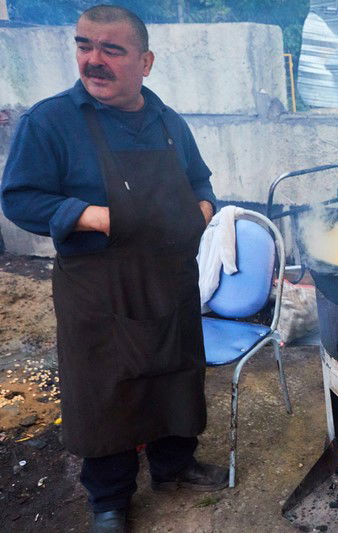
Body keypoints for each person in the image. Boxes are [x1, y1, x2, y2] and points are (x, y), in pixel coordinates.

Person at [1, 5, 226, 532]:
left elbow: (201, 183)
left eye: (111, 50)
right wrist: (87, 214)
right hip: (96, 285)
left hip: (168, 278)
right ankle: (109, 498)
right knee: (106, 388)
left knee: (176, 371)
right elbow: (19, 199)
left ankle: (174, 466)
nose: (93, 61)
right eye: (84, 46)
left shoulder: (168, 121)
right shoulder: (49, 121)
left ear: (145, 62)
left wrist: (205, 209)